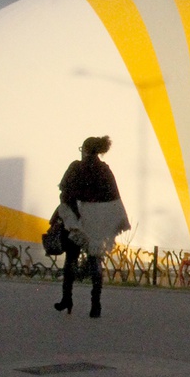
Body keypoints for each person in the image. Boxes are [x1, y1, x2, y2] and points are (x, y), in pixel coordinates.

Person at [53, 136, 129, 318]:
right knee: (95, 261)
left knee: (71, 260)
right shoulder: (105, 170)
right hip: (96, 224)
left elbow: (64, 191)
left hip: (76, 221)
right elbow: (113, 197)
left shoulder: (76, 167)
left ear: (86, 150)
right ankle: (96, 305)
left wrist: (71, 210)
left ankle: (67, 299)